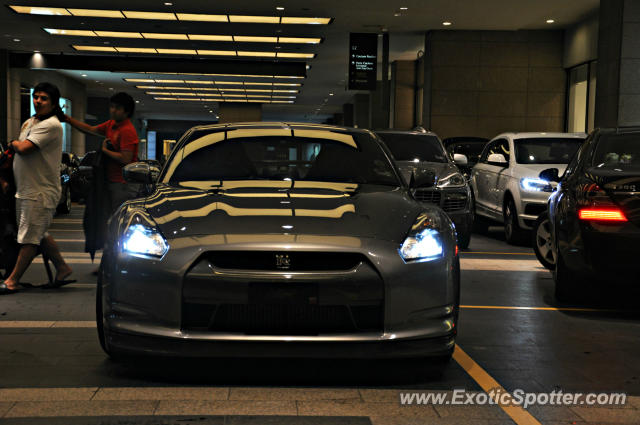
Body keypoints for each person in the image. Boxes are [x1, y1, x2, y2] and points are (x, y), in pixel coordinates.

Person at [0, 82, 74, 295]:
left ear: (53, 104)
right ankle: (62, 268)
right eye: (36, 97)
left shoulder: (52, 125)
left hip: (40, 191)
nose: (38, 101)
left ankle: (13, 280)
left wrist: (12, 143)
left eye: (43, 98)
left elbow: (24, 148)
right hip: (25, 189)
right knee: (37, 232)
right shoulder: (30, 122)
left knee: (29, 238)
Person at [64, 92, 140, 214]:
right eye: (112, 106)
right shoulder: (111, 124)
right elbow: (90, 129)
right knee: (108, 218)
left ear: (127, 112)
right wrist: (68, 120)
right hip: (111, 181)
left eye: (118, 108)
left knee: (117, 218)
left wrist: (105, 150)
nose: (113, 110)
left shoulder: (127, 130)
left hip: (123, 184)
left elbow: (125, 158)